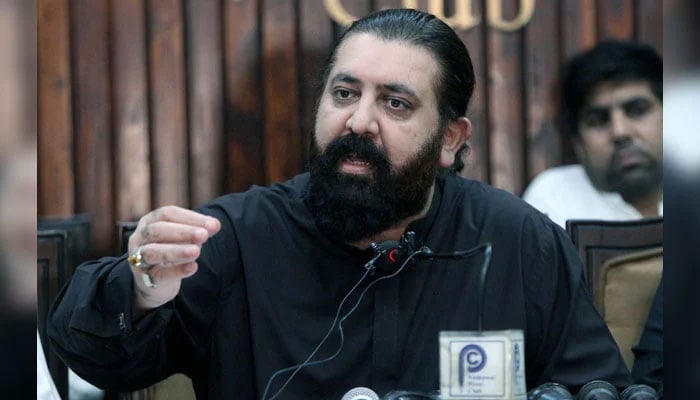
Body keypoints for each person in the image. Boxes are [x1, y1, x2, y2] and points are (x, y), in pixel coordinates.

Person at [48, 9, 631, 398]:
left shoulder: (517, 241)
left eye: (396, 104)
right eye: (344, 93)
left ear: (450, 140)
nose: (359, 121)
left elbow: (594, 387)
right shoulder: (237, 236)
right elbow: (93, 358)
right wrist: (141, 286)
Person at [522, 40, 663, 228]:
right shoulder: (555, 197)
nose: (620, 132)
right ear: (577, 142)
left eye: (637, 110)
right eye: (598, 120)